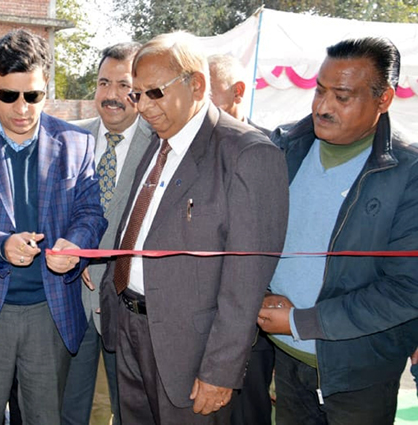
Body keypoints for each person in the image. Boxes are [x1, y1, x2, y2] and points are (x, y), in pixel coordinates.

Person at [99, 31, 289, 425]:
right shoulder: (158, 142)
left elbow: (246, 279)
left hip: (191, 353)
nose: (144, 107)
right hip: (131, 331)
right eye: (137, 95)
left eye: (155, 93)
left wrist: (220, 369)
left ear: (197, 84)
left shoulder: (247, 155)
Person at [0, 29, 107, 425]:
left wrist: (74, 247)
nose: (22, 108)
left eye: (33, 96)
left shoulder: (76, 142)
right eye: (9, 95)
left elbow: (90, 213)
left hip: (50, 311)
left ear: (48, 88)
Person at [257, 36, 418, 425]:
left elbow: (406, 289)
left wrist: (302, 322)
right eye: (319, 90)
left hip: (359, 376)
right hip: (285, 362)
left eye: (342, 96)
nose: (323, 107)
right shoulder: (284, 149)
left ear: (384, 100)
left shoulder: (408, 174)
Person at [63, 41, 146, 425]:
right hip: (70, 302)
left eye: (123, 85)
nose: (111, 95)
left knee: (131, 409)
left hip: (128, 306)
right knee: (71, 409)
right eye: (102, 83)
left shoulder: (160, 146)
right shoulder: (67, 139)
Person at [207, 53, 275, 425]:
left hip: (251, 331)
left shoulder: (267, 151)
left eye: (205, 96)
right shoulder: (191, 153)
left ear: (237, 92)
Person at [208, 54, 271, 137]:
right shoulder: (191, 140)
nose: (198, 99)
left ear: (237, 92)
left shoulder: (270, 143)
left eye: (208, 91)